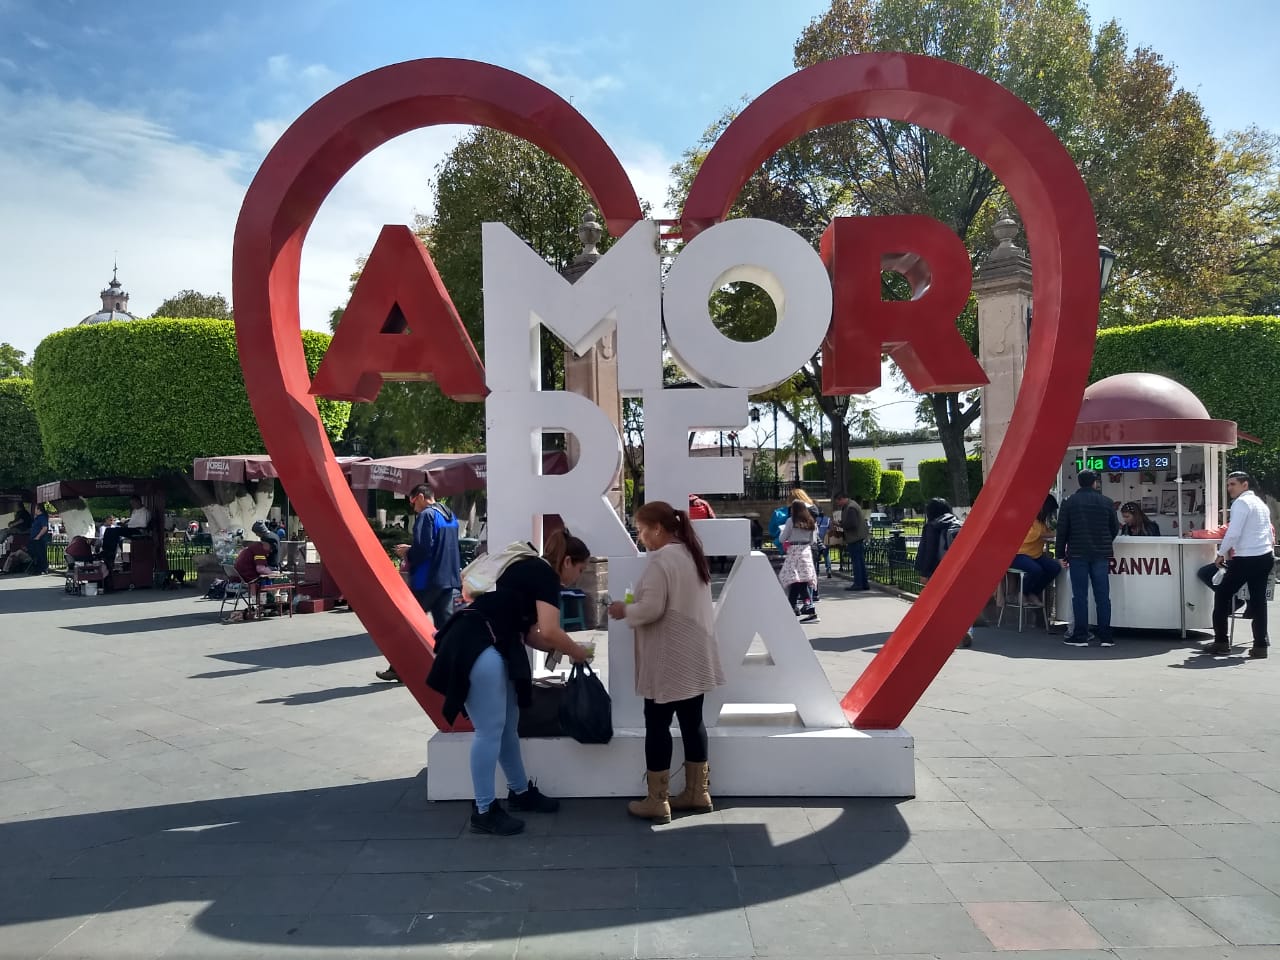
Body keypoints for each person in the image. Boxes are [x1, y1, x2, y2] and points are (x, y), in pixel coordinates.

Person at [427, 529, 594, 835]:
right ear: (567, 561)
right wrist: (577, 652)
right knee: (491, 730)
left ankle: (518, 792)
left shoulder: (530, 569)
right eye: (580, 569)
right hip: (480, 646)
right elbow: (551, 630)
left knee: (504, 727)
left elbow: (532, 634)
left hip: (479, 641)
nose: (579, 576)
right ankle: (484, 809)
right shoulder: (544, 574)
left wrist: (565, 651)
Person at [608, 501, 724, 823]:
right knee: (692, 721)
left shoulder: (662, 561)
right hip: (695, 655)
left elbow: (651, 609)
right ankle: (698, 792)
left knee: (657, 724)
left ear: (657, 528)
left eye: (642, 529)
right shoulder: (690, 554)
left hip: (668, 657)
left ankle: (657, 800)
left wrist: (624, 610)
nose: (641, 536)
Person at [377, 484, 462, 683]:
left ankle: (398, 668)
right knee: (445, 628)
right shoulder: (450, 514)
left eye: (413, 502)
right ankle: (451, 668)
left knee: (406, 623)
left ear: (422, 497)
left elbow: (424, 549)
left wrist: (408, 552)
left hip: (427, 580)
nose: (413, 507)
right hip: (448, 580)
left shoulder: (427, 516)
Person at [1203, 471, 1275, 658]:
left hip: (1246, 557)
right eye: (1228, 485)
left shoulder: (1241, 503)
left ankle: (1221, 642)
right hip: (1265, 555)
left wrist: (1220, 554)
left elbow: (1233, 533)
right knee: (1259, 601)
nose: (1229, 488)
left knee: (1222, 594)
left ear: (1245, 485)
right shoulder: (1260, 504)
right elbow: (1268, 531)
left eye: (1232, 484)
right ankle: (1260, 646)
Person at [1056, 470, 1120, 647]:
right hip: (1101, 554)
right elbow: (1114, 528)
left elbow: (1062, 531)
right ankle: (1106, 637)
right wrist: (1106, 541)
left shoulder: (1069, 502)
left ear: (1079, 483)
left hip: (1077, 554)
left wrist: (1060, 554)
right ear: (1095, 483)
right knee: (1102, 596)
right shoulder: (1106, 502)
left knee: (1080, 596)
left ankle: (1081, 635)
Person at [914, 498, 972, 647]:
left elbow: (929, 552)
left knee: (936, 603)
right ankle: (964, 631)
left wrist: (924, 573)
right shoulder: (958, 522)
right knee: (958, 602)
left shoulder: (932, 526)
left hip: (939, 570)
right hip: (958, 569)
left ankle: (941, 633)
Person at [1011, 494, 1061, 608]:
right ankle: (1022, 593)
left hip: (1035, 555)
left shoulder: (1041, 522)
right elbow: (1031, 536)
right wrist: (1051, 534)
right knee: (1036, 569)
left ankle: (1033, 592)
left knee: (1055, 568)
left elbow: (1045, 533)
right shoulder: (1027, 517)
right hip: (1018, 554)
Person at [777, 501, 820, 622]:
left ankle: (809, 607)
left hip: (794, 551)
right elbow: (813, 540)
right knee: (798, 581)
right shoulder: (811, 521)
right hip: (806, 552)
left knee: (797, 580)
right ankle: (792, 607)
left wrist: (787, 534)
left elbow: (782, 539)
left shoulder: (791, 521)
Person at [99, 496, 151, 567]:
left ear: (138, 502)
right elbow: (132, 522)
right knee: (109, 530)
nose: (132, 505)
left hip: (138, 531)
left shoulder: (145, 511)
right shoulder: (135, 511)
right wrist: (125, 524)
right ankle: (107, 551)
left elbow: (143, 524)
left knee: (115, 531)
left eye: (133, 503)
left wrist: (128, 525)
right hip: (131, 529)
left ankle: (110, 553)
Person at [834, 492, 869, 591]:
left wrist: (840, 525)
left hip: (855, 537)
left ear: (841, 499)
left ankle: (858, 583)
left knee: (856, 561)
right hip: (857, 537)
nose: (838, 504)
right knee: (860, 561)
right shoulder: (851, 505)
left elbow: (852, 524)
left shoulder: (850, 507)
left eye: (838, 502)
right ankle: (864, 583)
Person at [26, 503, 50, 575]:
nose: (34, 510)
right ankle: (38, 568)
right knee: (35, 554)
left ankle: (42, 569)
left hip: (39, 540)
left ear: (39, 509)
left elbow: (44, 528)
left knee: (40, 554)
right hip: (35, 539)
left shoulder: (42, 517)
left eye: (35, 508)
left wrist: (38, 536)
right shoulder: (37, 518)